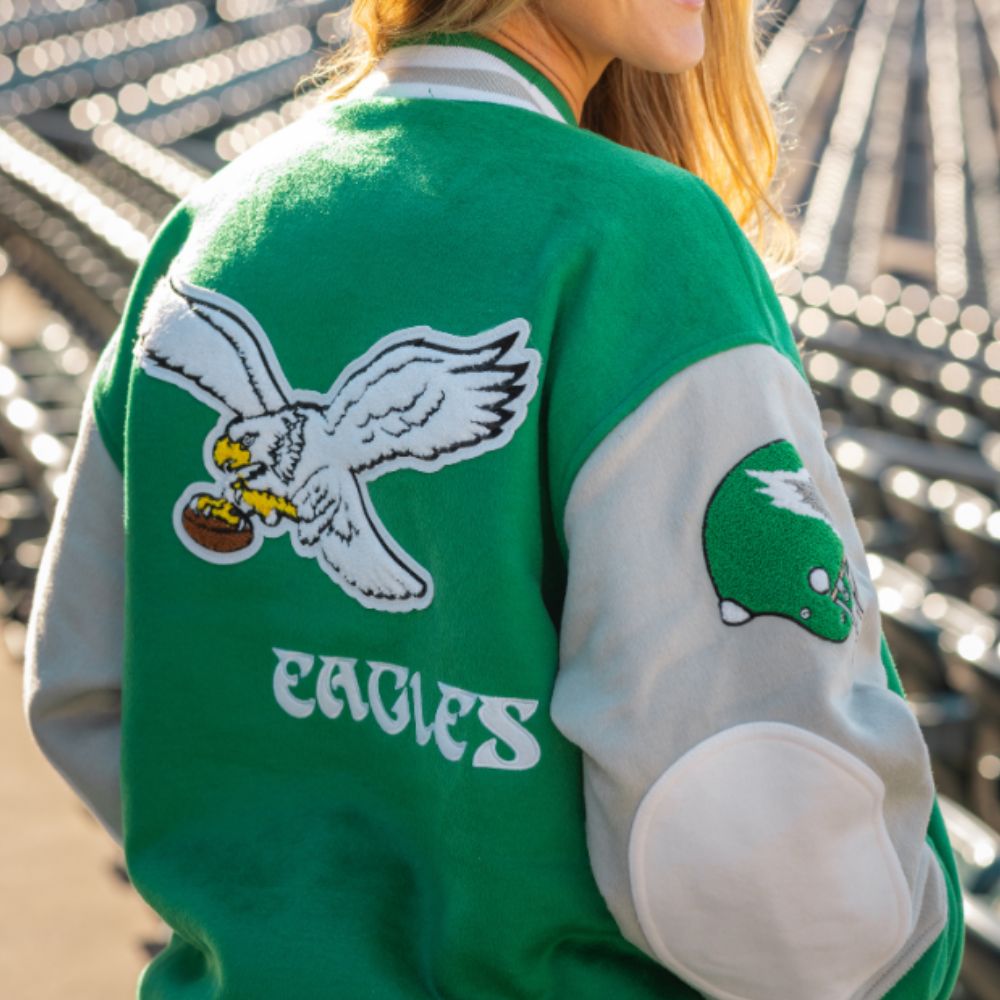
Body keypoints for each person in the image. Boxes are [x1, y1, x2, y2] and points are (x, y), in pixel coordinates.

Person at [23, 1, 965, 997]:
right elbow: (772, 852)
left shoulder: (213, 225)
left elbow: (85, 686)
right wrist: (908, 954)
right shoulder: (638, 240)